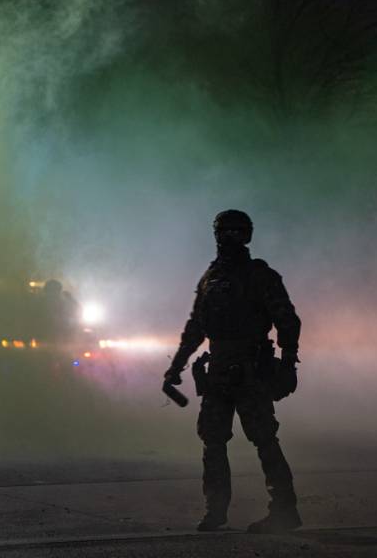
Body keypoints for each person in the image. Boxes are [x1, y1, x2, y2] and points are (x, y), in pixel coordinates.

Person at [164, 209, 302, 533]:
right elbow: (196, 326)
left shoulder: (260, 276)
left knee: (264, 439)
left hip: (251, 369)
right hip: (219, 370)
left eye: (236, 232)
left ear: (247, 236)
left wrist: (288, 362)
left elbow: (287, 321)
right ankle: (216, 510)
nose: (230, 238)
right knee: (212, 441)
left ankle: (284, 510)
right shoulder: (211, 278)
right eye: (225, 232)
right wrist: (176, 366)